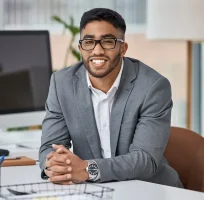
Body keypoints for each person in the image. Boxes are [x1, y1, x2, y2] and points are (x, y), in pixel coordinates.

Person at [39, 8, 183, 188]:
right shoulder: (62, 83)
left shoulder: (153, 87)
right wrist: (53, 165)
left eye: (108, 42)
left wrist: (86, 169)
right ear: (80, 47)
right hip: (94, 190)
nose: (97, 51)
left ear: (123, 48)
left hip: (148, 189)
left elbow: (145, 160)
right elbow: (49, 148)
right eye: (89, 42)